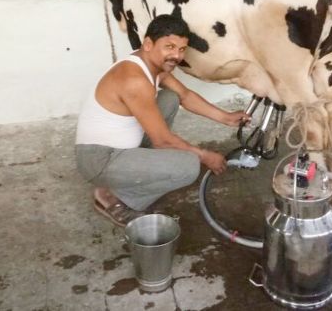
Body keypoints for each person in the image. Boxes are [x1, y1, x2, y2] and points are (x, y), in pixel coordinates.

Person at [74, 14, 249, 227]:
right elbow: (163, 141)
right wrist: (205, 156)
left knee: (169, 97)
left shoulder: (151, 66)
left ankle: (137, 171)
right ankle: (115, 198)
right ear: (148, 44)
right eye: (169, 46)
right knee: (188, 166)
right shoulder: (134, 80)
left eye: (182, 49)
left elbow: (185, 96)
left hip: (120, 148)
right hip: (100, 160)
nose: (176, 55)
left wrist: (226, 117)